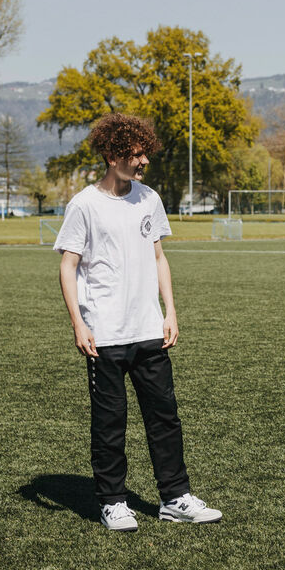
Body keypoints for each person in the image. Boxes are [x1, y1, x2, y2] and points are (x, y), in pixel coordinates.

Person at [54, 113, 222, 532]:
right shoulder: (84, 205)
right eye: (137, 154)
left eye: (146, 153)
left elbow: (159, 257)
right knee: (109, 424)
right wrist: (78, 324)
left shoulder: (149, 199)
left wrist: (170, 311)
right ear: (113, 156)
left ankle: (175, 498)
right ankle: (113, 502)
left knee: (165, 418)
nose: (145, 160)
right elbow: (68, 267)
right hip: (105, 335)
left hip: (149, 330)